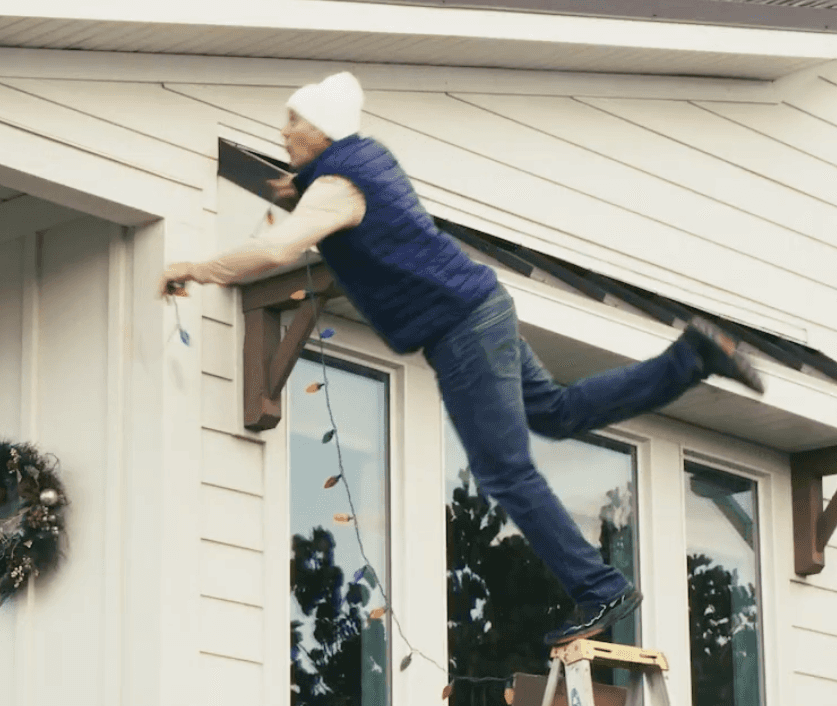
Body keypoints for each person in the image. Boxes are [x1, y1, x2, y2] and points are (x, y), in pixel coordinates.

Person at [158, 72, 765, 646]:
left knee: (505, 472)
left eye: (292, 122)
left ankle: (600, 588)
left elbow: (275, 248)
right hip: (481, 308)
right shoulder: (361, 164)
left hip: (462, 329)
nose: (283, 132)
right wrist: (303, 182)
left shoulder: (338, 186)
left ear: (321, 131)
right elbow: (351, 201)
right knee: (553, 412)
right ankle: (692, 357)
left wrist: (196, 267)